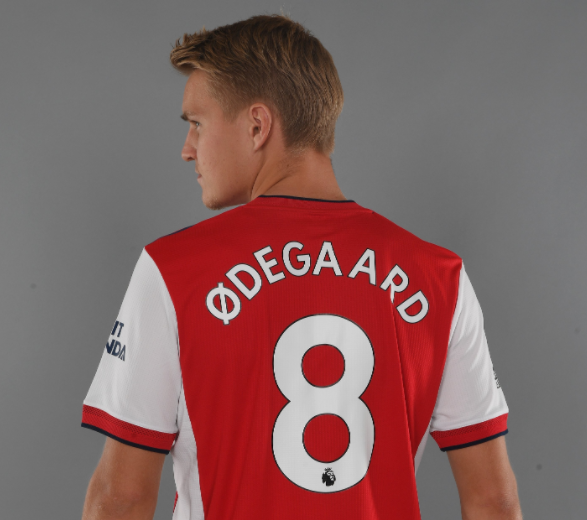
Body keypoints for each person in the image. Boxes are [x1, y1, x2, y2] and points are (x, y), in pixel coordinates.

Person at [80, 14, 523, 520]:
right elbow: (494, 500)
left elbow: (121, 497)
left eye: (197, 124)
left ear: (257, 126)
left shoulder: (172, 271)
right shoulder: (440, 277)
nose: (187, 150)